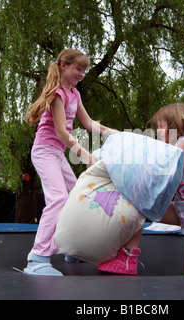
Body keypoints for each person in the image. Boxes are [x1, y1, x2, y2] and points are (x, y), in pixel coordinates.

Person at [97, 103, 184, 275]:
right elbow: (135, 142)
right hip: (181, 210)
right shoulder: (168, 148)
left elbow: (167, 173)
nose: (157, 130)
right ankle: (128, 257)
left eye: (160, 126)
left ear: (174, 125)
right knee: (139, 205)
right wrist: (102, 130)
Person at [24, 49, 118, 276]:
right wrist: (86, 155)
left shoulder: (75, 94)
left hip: (56, 154)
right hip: (44, 151)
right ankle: (37, 257)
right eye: (78, 69)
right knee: (58, 198)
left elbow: (89, 123)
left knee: (76, 198)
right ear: (63, 66)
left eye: (84, 70)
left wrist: (117, 134)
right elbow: (61, 133)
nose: (82, 74)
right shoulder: (58, 94)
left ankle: (70, 249)